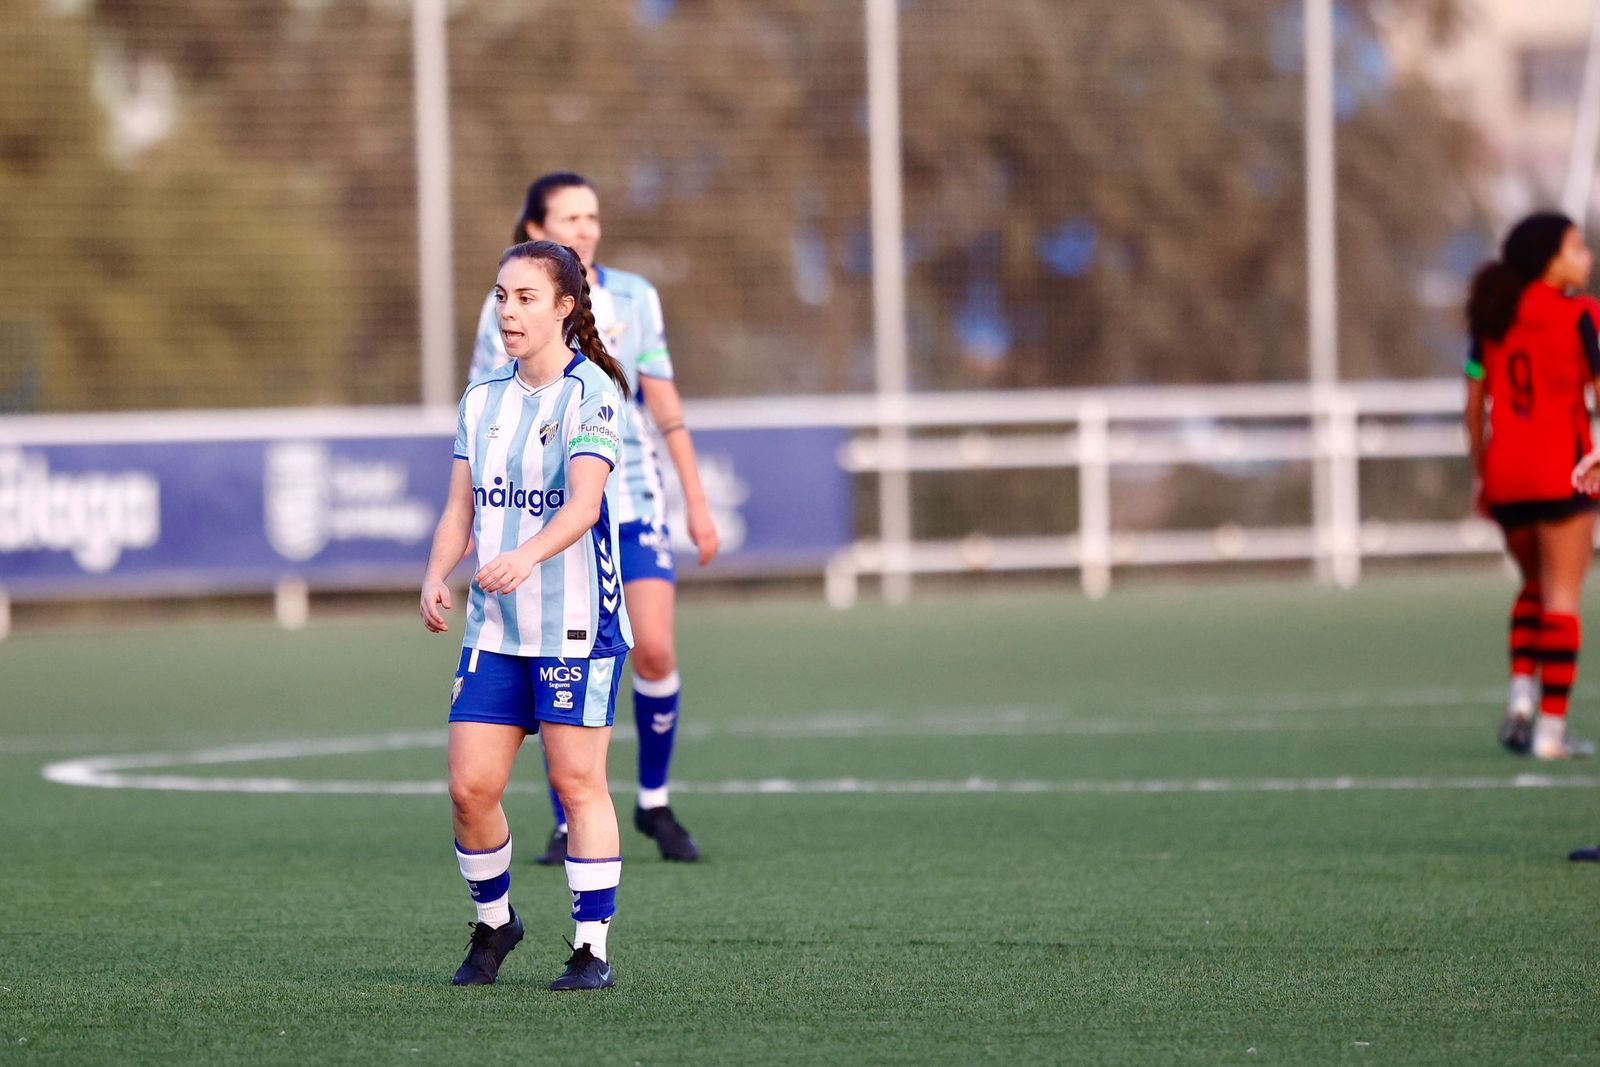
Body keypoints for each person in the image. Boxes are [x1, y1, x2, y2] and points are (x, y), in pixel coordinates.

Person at [470, 173, 720, 863]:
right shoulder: (507, 308)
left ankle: (654, 802)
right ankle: (567, 815)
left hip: (630, 499)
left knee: (655, 648)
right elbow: (483, 410)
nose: (586, 229)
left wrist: (696, 499)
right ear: (535, 230)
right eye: (570, 218)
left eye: (593, 216)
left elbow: (662, 403)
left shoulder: (635, 296)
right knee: (554, 655)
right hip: (546, 513)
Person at [421, 240, 633, 990]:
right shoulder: (481, 399)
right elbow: (461, 509)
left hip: (576, 624)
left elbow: (584, 506)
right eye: (501, 296)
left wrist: (525, 556)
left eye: (526, 297)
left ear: (565, 308)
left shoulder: (593, 393)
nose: (508, 311)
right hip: (496, 629)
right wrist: (436, 573)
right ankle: (494, 923)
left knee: (579, 784)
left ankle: (591, 949)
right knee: (469, 787)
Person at [1464, 211, 1600, 760]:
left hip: (1506, 475)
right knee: (1563, 597)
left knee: (1533, 587)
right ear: (1549, 260)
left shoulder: (1491, 319)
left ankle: (1521, 694)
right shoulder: (1582, 314)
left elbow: (1474, 405)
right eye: (1576, 247)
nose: (1587, 256)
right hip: (1564, 470)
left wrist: (1484, 474)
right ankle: (1551, 731)